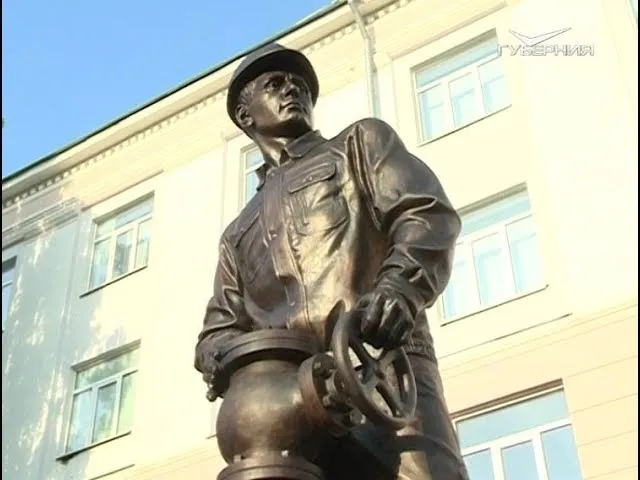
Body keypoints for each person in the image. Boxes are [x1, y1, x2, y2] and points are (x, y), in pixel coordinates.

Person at [194, 42, 469, 480]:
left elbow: (425, 214)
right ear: (245, 116)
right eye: (275, 83)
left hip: (381, 370)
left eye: (300, 84)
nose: (293, 89)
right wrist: (226, 363)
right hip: (293, 413)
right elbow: (219, 329)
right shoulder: (237, 232)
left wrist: (398, 288)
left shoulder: (359, 144)